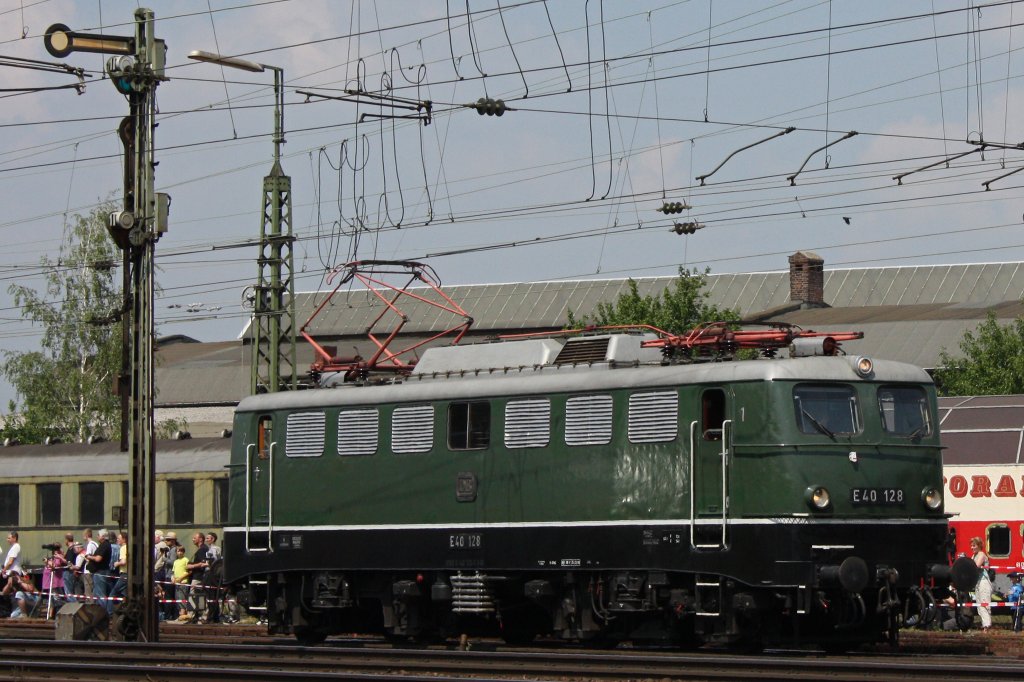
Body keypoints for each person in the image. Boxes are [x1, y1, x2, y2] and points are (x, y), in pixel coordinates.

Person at [86, 529, 113, 613]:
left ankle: (102, 613)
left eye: (98, 535)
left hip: (101, 572)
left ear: (103, 536)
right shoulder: (103, 545)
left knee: (100, 594)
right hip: (99, 572)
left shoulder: (105, 545)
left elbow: (98, 558)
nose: (97, 536)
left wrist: (89, 556)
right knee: (97, 593)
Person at [970, 536, 993, 631]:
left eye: (974, 545)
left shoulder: (981, 555)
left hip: (984, 582)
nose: (972, 547)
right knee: (979, 604)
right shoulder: (973, 556)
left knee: (984, 602)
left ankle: (987, 625)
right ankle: (985, 624)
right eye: (971, 545)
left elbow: (976, 566)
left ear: (979, 545)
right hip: (977, 583)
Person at [186, 532, 209, 622]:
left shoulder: (202, 549)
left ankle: (191, 615)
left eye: (194, 537)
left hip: (199, 576)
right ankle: (198, 614)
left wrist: (191, 566)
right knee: (200, 595)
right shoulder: (202, 549)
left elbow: (203, 563)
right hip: (198, 575)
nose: (193, 539)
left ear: (200, 539)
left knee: (193, 594)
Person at [171, 545, 190, 621]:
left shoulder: (186, 560)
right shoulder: (175, 561)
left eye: (181, 551)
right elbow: (173, 572)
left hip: (183, 582)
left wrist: (180, 578)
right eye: (178, 551)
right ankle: (180, 615)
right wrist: (173, 579)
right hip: (176, 583)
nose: (180, 552)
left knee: (182, 598)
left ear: (184, 552)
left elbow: (188, 572)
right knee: (178, 598)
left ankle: (183, 615)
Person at [111, 532, 128, 609]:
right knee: (124, 595)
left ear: (124, 539)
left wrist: (117, 563)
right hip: (128, 575)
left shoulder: (123, 548)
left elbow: (123, 562)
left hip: (124, 574)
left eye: (119, 538)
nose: (117, 540)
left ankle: (110, 613)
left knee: (113, 594)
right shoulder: (129, 547)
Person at [81, 528, 97, 602]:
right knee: (92, 590)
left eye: (83, 535)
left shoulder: (90, 545)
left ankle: (90, 607)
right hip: (94, 570)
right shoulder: (95, 544)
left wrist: (84, 556)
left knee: (88, 592)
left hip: (88, 571)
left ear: (87, 535)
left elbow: (88, 558)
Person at [62, 533, 78, 602]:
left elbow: (69, 562)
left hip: (68, 572)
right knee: (70, 591)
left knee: (69, 593)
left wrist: (60, 557)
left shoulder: (71, 549)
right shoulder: (72, 548)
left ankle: (74, 605)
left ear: (67, 540)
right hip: (70, 573)